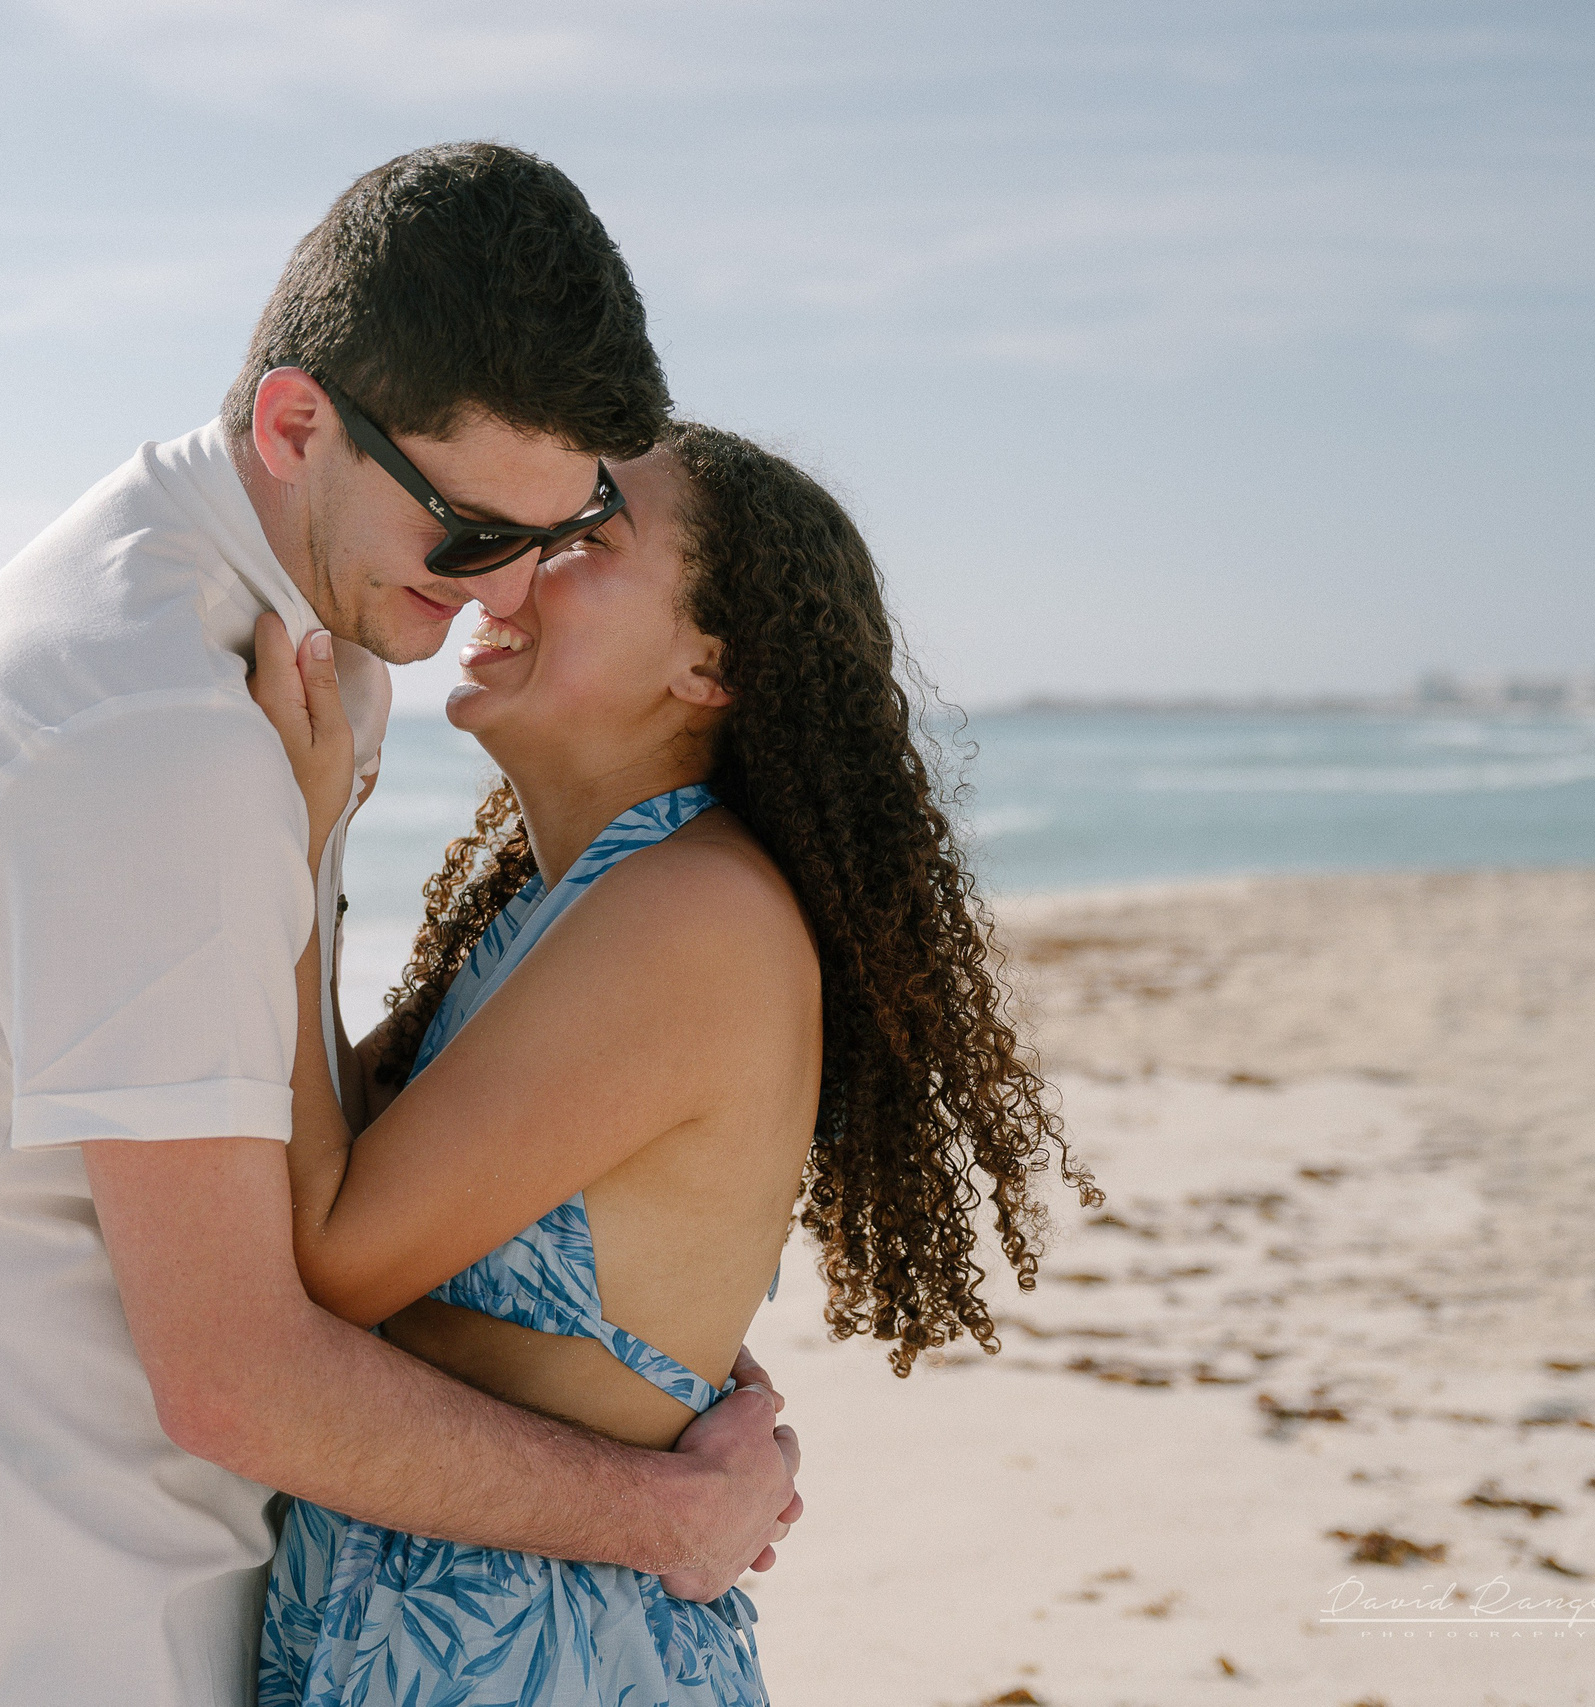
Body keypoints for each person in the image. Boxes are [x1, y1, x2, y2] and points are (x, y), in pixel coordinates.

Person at [0, 144, 801, 1707]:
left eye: (564, 527)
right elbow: (241, 1370)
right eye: (470, 533)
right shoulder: (152, 730)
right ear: (296, 422)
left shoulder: (281, 631)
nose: (505, 588)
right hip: (49, 1643)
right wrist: (673, 1509)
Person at [244, 421, 1106, 1704]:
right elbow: (319, 1159)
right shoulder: (575, 901)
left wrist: (298, 858)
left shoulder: (688, 914)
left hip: (531, 1653)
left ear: (711, 663)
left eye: (585, 537)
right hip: (450, 1629)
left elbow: (325, 1249)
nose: (510, 565)